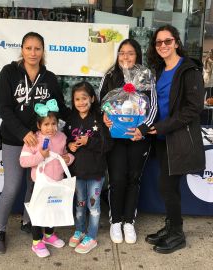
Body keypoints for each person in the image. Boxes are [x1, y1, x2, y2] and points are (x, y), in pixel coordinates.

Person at [0, 32, 70, 254]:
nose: (33, 53)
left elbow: (60, 108)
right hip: (14, 139)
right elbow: (4, 108)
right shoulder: (9, 72)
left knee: (34, 186)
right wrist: (23, 132)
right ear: (22, 49)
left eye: (37, 48)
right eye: (29, 48)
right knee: (12, 186)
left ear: (43, 51)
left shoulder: (50, 77)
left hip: (41, 142)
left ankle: (28, 222)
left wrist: (86, 117)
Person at [144, 24, 205, 254]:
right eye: (158, 42)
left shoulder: (189, 70)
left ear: (176, 42)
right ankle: (171, 227)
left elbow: (193, 108)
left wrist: (162, 127)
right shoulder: (158, 70)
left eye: (167, 41)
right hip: (160, 137)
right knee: (167, 187)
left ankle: (177, 234)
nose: (163, 46)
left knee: (168, 187)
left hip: (177, 137)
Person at [99, 39, 157, 244]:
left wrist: (142, 129)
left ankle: (129, 222)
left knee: (134, 179)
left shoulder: (147, 77)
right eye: (122, 53)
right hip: (115, 137)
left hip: (138, 138)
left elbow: (154, 108)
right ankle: (116, 221)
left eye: (130, 53)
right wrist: (105, 117)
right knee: (116, 179)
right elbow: (101, 103)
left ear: (137, 55)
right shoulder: (110, 75)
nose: (125, 57)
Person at [19, 99, 73, 258]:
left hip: (57, 182)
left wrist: (70, 158)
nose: (50, 128)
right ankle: (37, 241)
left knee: (53, 210)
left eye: (53, 123)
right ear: (39, 126)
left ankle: (49, 235)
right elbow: (23, 161)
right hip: (40, 183)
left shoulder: (62, 137)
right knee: (39, 212)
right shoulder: (33, 140)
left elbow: (64, 155)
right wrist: (39, 156)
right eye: (46, 124)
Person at [64, 82, 111, 254]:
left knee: (94, 206)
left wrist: (88, 141)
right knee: (79, 204)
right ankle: (80, 230)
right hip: (77, 172)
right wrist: (70, 145)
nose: (81, 102)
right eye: (77, 99)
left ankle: (91, 236)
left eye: (84, 98)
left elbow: (108, 144)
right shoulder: (70, 119)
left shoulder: (101, 117)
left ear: (92, 98)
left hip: (96, 173)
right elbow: (64, 141)